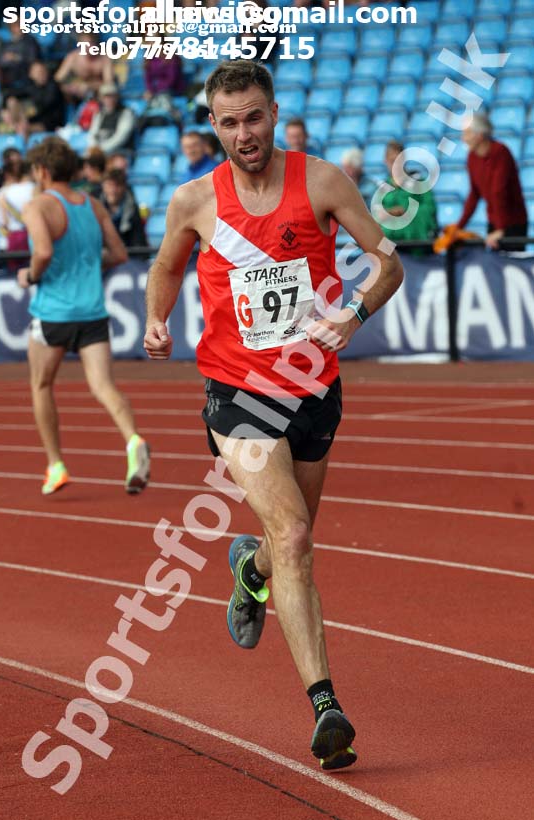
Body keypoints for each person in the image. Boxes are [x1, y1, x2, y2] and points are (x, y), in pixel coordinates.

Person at [144, 60, 403, 768]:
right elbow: (166, 266)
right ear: (212, 124)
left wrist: (352, 315)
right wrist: (156, 321)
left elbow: (388, 262)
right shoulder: (194, 200)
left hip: (312, 390)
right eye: (227, 122)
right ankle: (325, 707)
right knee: (293, 538)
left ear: (272, 110)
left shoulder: (320, 181)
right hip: (236, 392)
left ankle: (247, 569)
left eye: (253, 116)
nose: (242, 133)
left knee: (286, 542)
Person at [16, 137, 150, 496]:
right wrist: (87, 264)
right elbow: (120, 254)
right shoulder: (93, 205)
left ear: (42, 171)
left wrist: (30, 275)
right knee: (103, 386)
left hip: (53, 312)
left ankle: (56, 464)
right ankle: (133, 439)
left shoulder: (37, 206)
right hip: (92, 311)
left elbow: (42, 252)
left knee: (41, 385)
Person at [457, 112, 528, 251]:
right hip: (494, 222)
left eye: (467, 134)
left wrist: (501, 229)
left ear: (479, 135)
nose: (463, 138)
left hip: (513, 222)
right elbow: (474, 194)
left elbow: (498, 191)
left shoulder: (501, 152)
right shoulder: (472, 157)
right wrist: (459, 226)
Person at [373, 139, 438, 255]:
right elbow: (376, 219)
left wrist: (402, 212)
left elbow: (429, 211)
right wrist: (396, 213)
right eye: (392, 161)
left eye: (399, 160)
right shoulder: (380, 190)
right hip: (390, 252)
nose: (395, 165)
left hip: (417, 250)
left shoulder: (420, 184)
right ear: (385, 161)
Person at [100, 168, 147, 247]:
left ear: (124, 187)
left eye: (117, 185)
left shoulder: (133, 209)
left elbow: (138, 242)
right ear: (103, 186)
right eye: (109, 185)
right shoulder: (94, 207)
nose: (113, 190)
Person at [88, 84, 136, 155]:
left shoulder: (126, 113)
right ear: (101, 98)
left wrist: (101, 149)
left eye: (112, 96)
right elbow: (92, 134)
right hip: (100, 152)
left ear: (117, 97)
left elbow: (121, 138)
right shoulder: (99, 114)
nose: (109, 99)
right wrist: (94, 148)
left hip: (120, 152)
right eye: (106, 96)